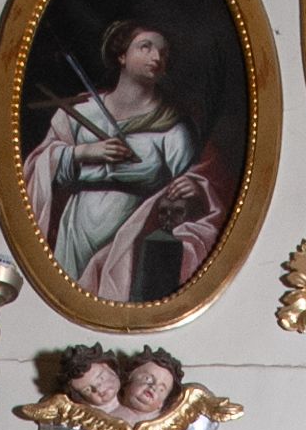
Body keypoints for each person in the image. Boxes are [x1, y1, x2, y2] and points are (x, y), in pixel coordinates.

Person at [23, 20, 230, 301]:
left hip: (131, 234)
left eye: (163, 52)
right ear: (121, 55)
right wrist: (84, 152)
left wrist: (192, 188)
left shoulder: (173, 128)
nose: (156, 57)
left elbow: (188, 181)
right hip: (74, 229)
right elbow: (38, 163)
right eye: (146, 47)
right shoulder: (80, 111)